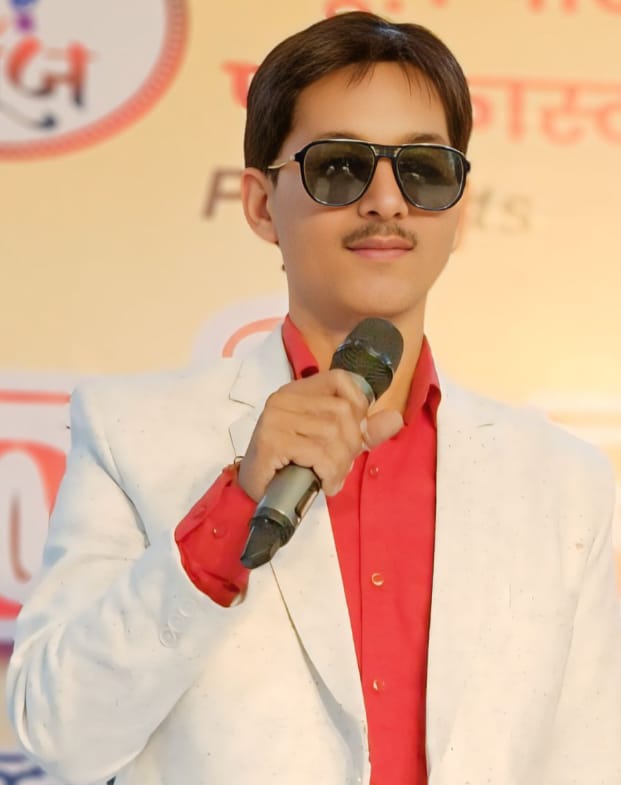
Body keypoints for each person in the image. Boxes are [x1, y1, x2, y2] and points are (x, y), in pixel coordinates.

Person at [6, 11, 621, 785]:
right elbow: (59, 735)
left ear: (460, 209)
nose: (387, 201)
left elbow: (586, 762)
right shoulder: (133, 433)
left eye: (424, 169)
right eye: (340, 166)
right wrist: (233, 506)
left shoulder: (560, 480)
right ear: (261, 204)